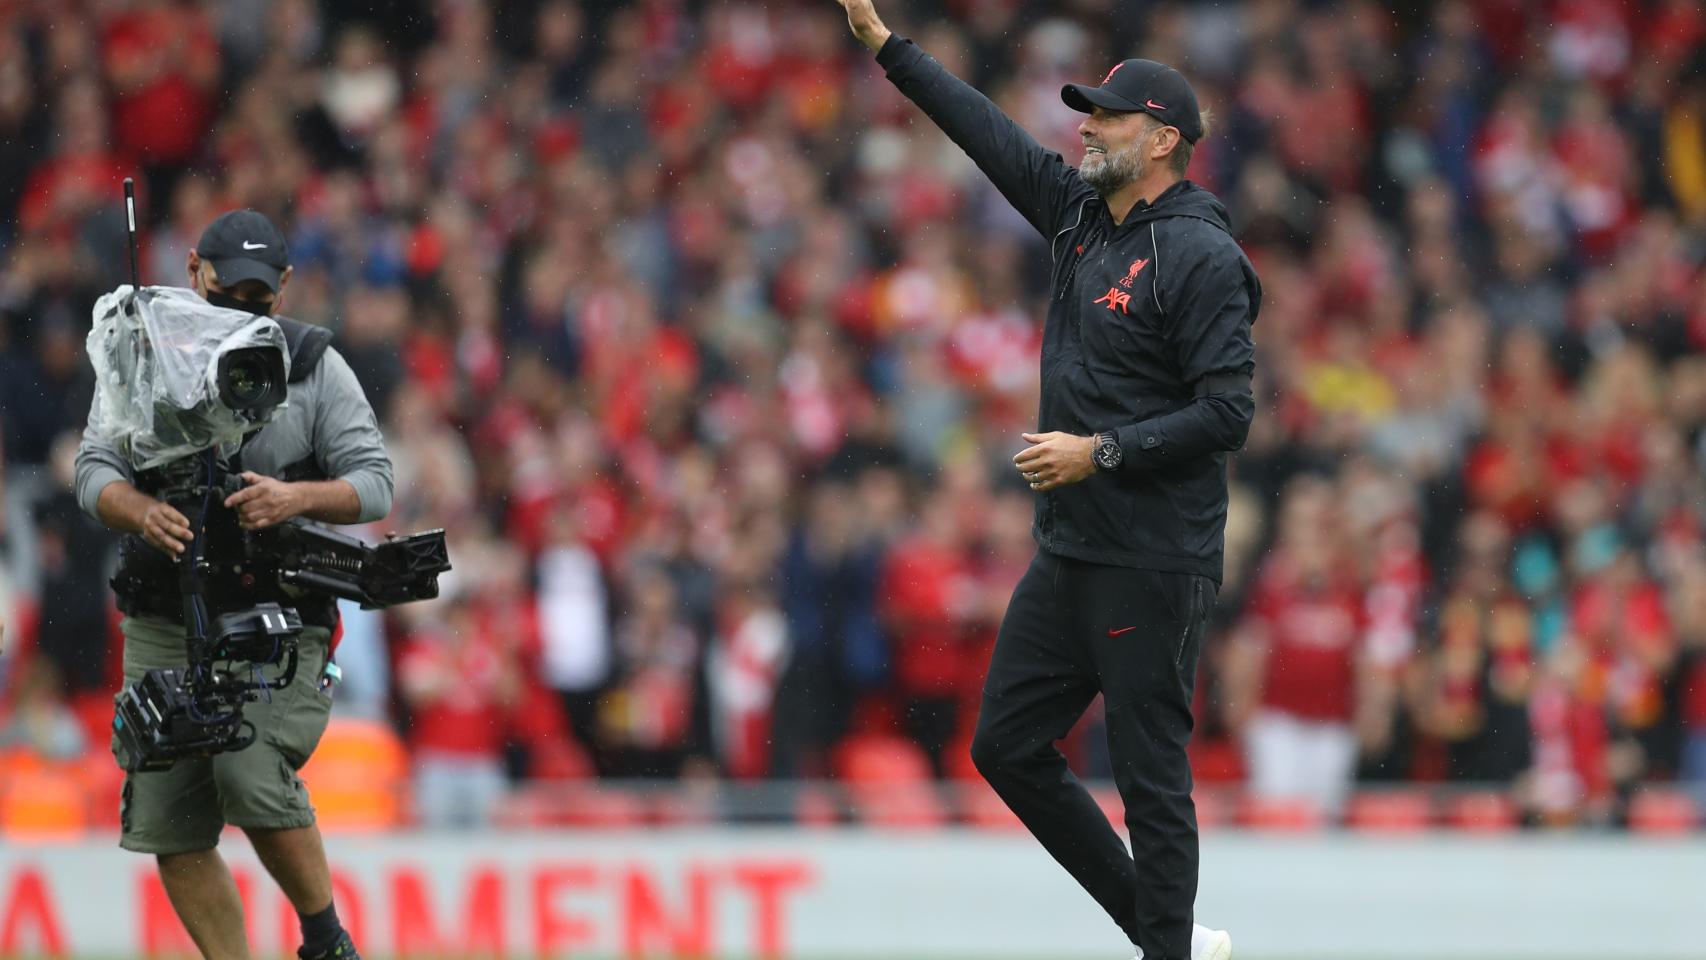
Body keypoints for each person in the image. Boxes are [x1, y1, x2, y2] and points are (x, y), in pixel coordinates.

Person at [833, 4, 1259, 960]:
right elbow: (984, 131)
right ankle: (1174, 936)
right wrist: (885, 47)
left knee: (1152, 780)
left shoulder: (1200, 253)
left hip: (1151, 554)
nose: (1086, 126)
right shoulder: (1079, 215)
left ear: (1161, 141)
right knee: (1006, 747)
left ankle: (1170, 951)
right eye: (1087, 113)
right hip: (1072, 546)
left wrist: (1098, 452)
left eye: (1106, 116)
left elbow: (1228, 414)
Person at [74, 209, 393, 960]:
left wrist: (297, 497)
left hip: (277, 618)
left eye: (257, 295)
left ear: (283, 290)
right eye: (226, 292)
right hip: (165, 614)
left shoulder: (315, 366)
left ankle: (325, 940)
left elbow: (376, 484)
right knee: (170, 824)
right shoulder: (139, 357)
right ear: (192, 273)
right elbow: (93, 472)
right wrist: (142, 509)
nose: (241, 308)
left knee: (249, 771)